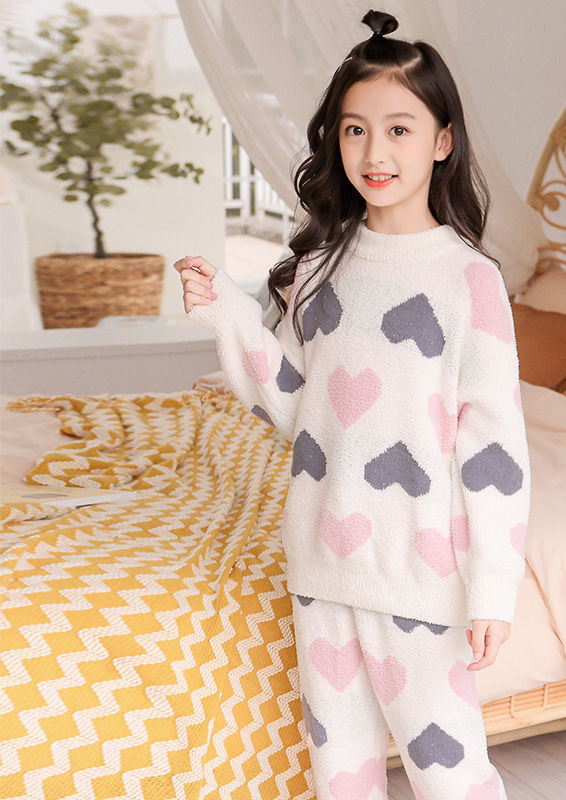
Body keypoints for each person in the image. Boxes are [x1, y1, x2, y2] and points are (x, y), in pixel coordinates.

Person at [174, 9, 531, 799]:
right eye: (355, 130)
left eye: (400, 129)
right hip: (321, 562)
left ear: (442, 141)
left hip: (419, 575)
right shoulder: (318, 270)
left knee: (451, 774)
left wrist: (493, 589)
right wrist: (229, 314)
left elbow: (495, 453)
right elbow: (299, 413)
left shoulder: (468, 281)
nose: (375, 152)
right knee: (340, 774)